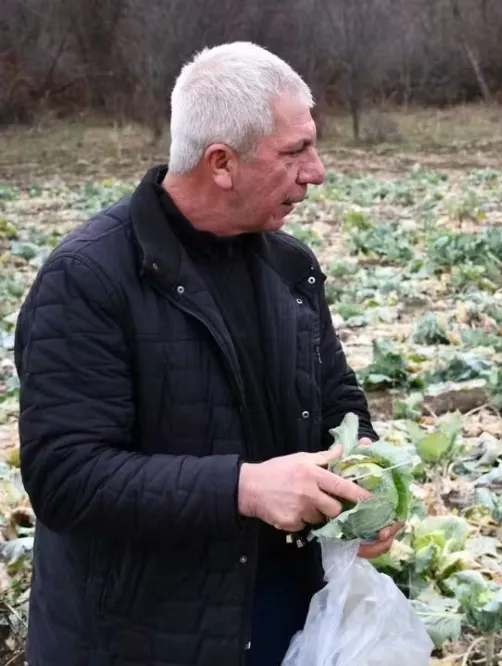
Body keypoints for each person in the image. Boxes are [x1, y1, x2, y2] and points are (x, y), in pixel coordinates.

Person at [14, 42, 401, 666]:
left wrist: (365, 491)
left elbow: (338, 400)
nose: (317, 171)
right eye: (295, 151)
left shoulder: (290, 266)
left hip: (279, 617)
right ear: (221, 162)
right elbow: (66, 478)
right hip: (142, 636)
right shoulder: (90, 277)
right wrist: (243, 488)